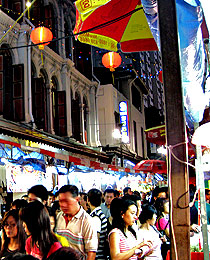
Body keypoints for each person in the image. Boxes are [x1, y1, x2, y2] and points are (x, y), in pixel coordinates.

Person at [56, 185, 98, 260]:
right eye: (60, 201)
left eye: (66, 201)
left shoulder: (87, 221)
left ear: (77, 199)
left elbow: (91, 253)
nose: (63, 205)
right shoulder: (59, 217)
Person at [87, 188, 108, 260]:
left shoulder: (96, 217)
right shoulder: (99, 214)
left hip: (97, 256)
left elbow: (96, 240)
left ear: (88, 200)